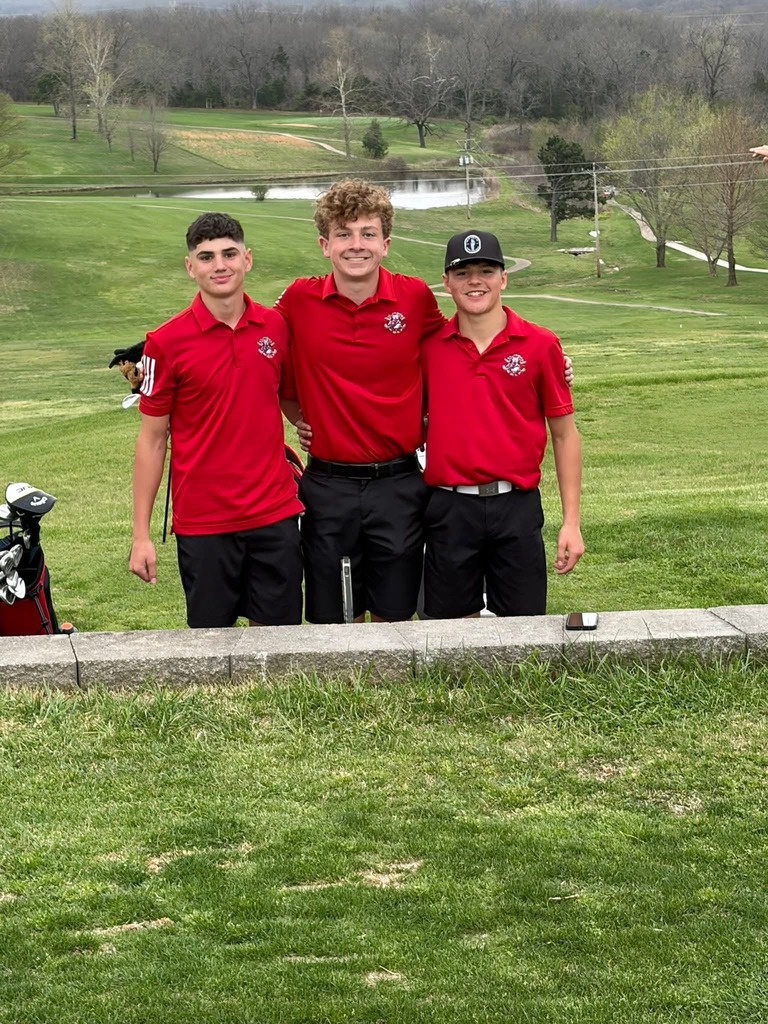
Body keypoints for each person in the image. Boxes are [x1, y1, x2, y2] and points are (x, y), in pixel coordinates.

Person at [277, 179, 574, 624]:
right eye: (344, 233)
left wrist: (552, 360)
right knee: (334, 615)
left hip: (399, 482)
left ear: (385, 243)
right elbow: (258, 350)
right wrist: (301, 417)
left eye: (368, 233)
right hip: (329, 481)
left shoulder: (414, 298)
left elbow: (468, 334)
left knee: (397, 615)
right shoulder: (299, 299)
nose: (356, 245)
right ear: (325, 244)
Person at [129, 212, 303, 628]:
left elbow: (290, 400)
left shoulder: (276, 326)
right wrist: (141, 536)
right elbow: (152, 441)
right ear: (191, 267)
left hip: (274, 514)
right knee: (212, 651)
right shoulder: (164, 343)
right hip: (204, 521)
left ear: (248, 259)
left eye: (229, 254)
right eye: (206, 257)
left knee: (278, 647)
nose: (219, 265)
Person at [420, 230, 584, 619]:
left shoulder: (540, 345)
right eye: (462, 273)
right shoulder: (427, 347)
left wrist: (572, 523)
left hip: (517, 505)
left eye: (486, 270)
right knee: (449, 635)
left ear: (503, 278)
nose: (474, 281)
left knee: (523, 629)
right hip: (449, 506)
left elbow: (564, 435)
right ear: (446, 282)